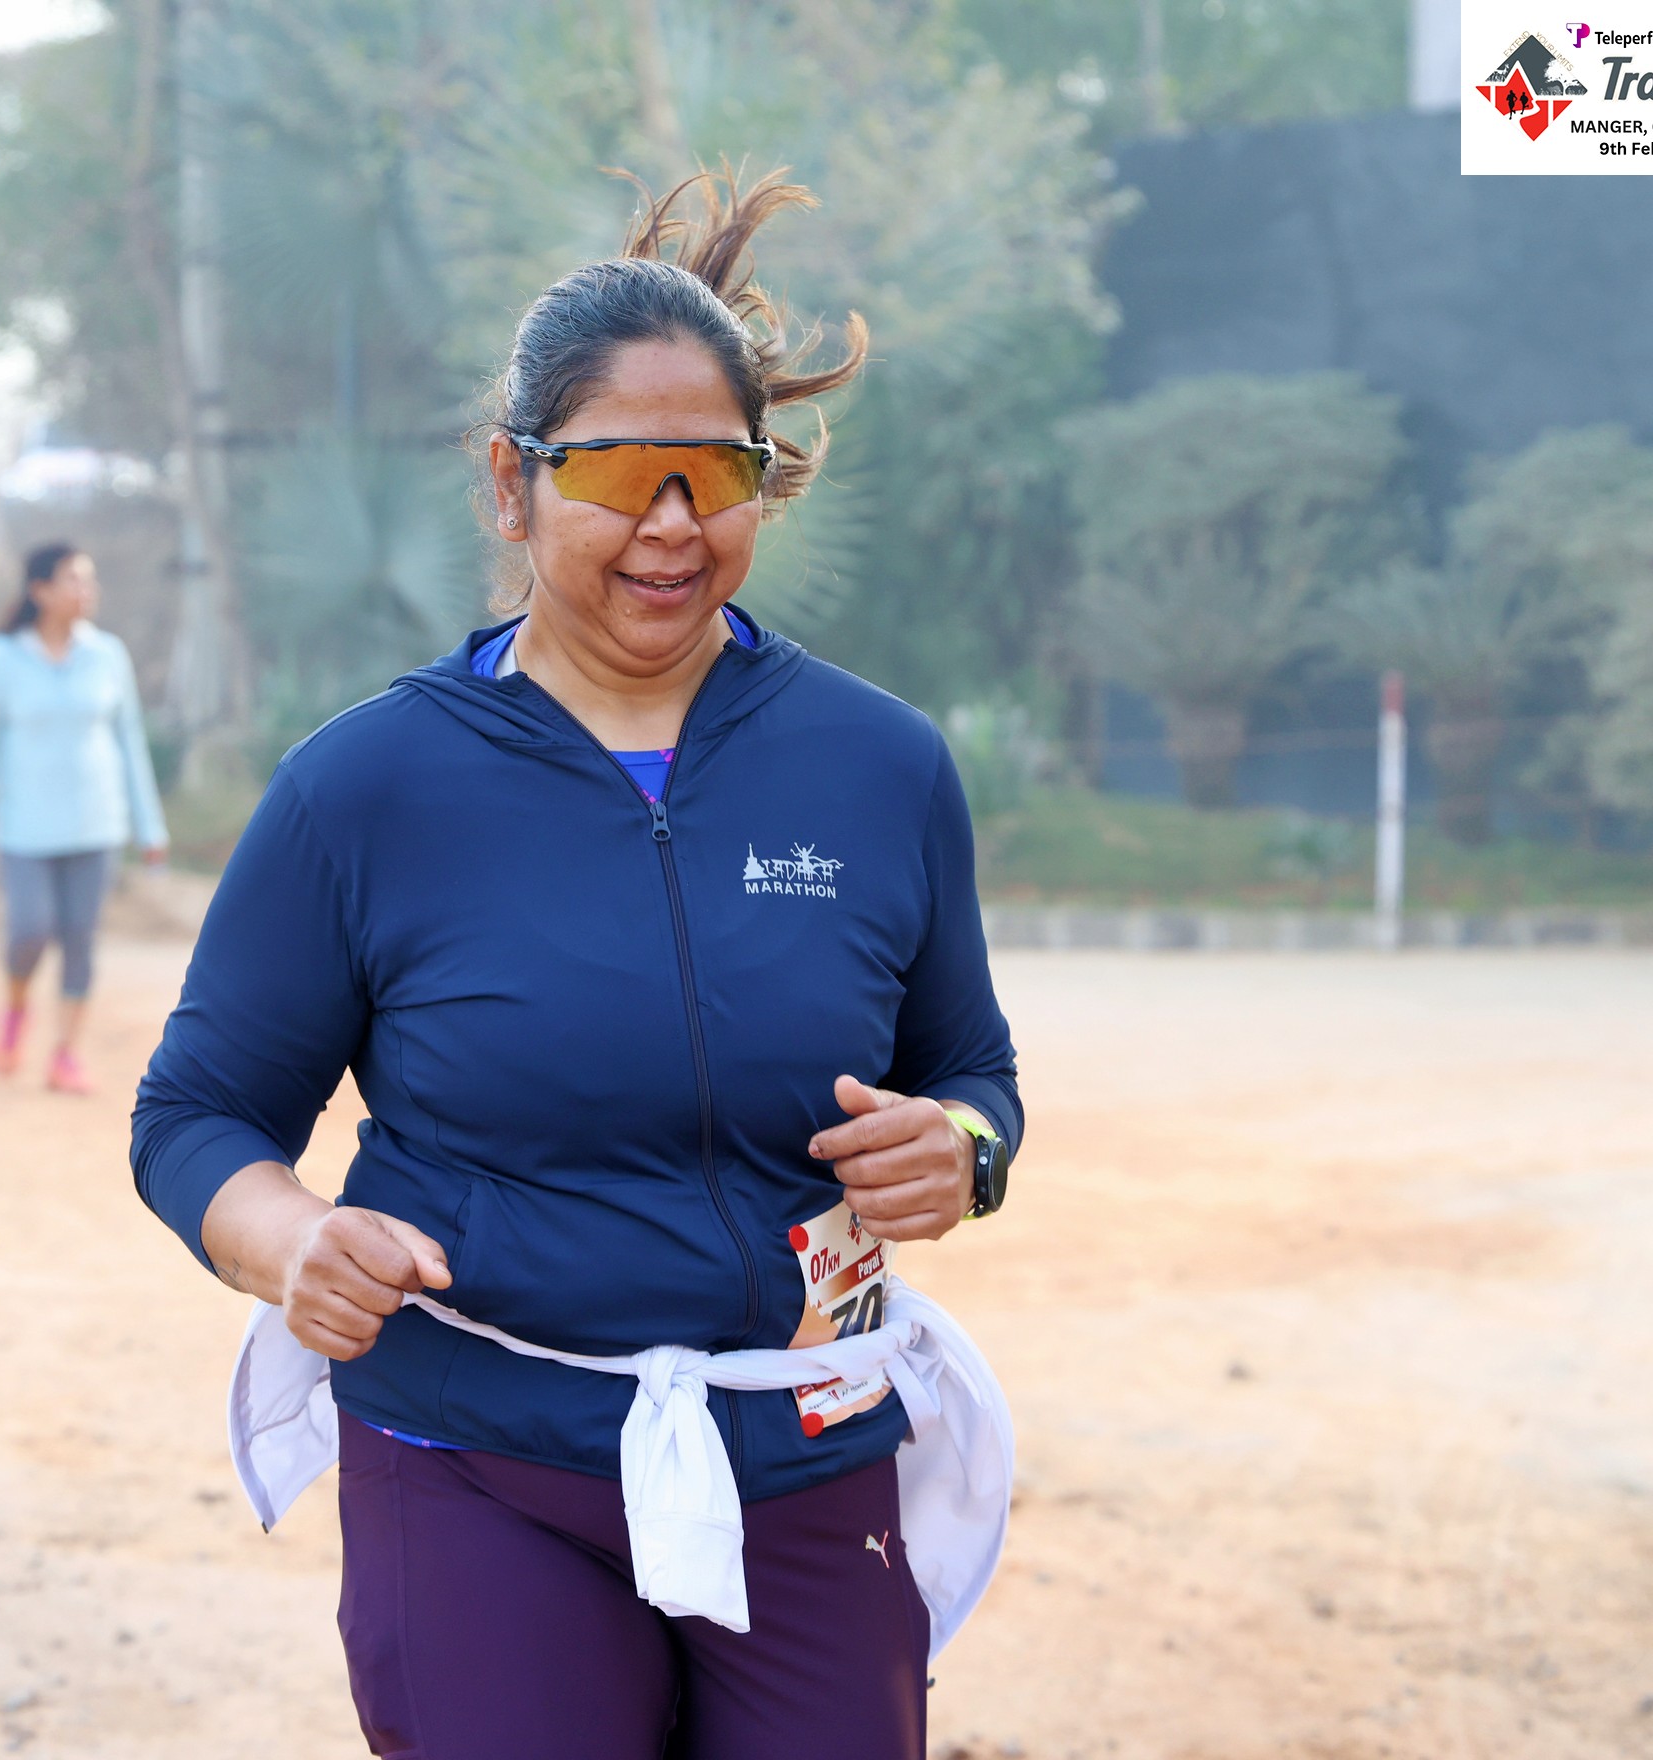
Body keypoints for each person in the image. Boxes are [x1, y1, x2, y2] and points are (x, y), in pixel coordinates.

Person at [130, 172, 1022, 1760]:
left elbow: (972, 1074)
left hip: (802, 1451)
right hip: (483, 1455)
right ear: (512, 483)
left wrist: (962, 1148)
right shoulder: (366, 788)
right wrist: (295, 1243)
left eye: (716, 474)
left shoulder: (880, 767)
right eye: (617, 473)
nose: (673, 524)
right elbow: (196, 1116)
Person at [0, 542, 169, 1094]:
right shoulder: (1, 657)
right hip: (24, 829)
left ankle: (65, 1054)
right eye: (73, 579)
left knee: (80, 939)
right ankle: (15, 1006)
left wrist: (149, 826)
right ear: (40, 590)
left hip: (96, 825)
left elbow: (129, 741)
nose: (86, 590)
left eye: (88, 579)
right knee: (30, 929)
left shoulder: (107, 654)